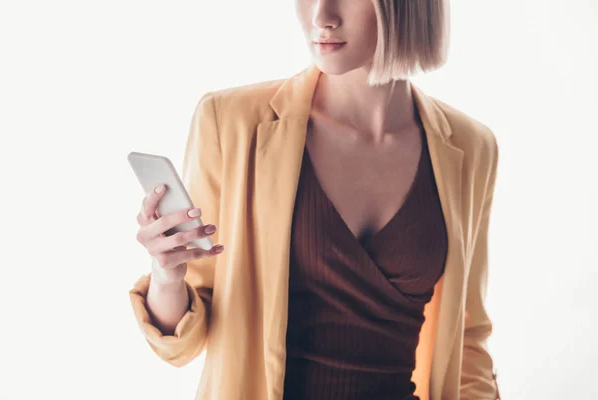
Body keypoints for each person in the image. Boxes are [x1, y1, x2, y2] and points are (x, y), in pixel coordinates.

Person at [130, 0, 501, 399]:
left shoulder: (469, 147)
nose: (322, 16)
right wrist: (168, 275)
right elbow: (186, 338)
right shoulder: (233, 122)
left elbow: (467, 340)